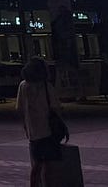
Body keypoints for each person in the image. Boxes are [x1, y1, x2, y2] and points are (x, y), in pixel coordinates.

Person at [15, 56, 64, 187]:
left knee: (36, 166)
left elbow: (19, 108)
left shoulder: (23, 86)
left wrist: (25, 125)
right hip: (48, 131)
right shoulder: (46, 86)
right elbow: (56, 107)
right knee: (49, 166)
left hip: (33, 132)